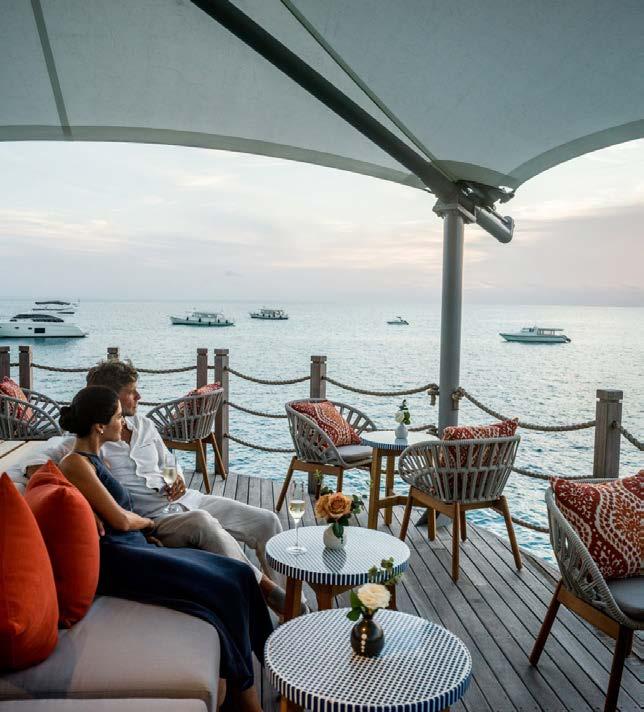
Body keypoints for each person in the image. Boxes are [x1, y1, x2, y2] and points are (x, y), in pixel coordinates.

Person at [22, 359, 296, 615]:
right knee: (202, 522)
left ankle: (293, 608)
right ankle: (272, 596)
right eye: (131, 392)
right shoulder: (87, 439)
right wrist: (88, 506)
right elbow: (34, 466)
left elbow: (168, 462)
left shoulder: (144, 425)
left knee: (266, 520)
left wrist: (175, 478)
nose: (139, 397)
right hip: (156, 520)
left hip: (186, 500)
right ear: (111, 397)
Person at [58, 386, 272, 712]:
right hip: (122, 558)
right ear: (99, 426)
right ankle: (248, 698)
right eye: (118, 417)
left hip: (138, 545)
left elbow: (116, 510)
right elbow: (120, 519)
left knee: (239, 573)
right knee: (224, 588)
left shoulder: (94, 457)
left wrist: (139, 529)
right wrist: (146, 525)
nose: (123, 422)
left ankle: (272, 656)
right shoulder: (75, 462)